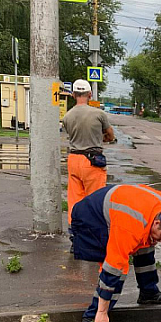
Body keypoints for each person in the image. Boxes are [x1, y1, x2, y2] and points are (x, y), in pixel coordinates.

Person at [70, 183, 161, 322]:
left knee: (147, 244)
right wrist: (102, 313)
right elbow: (113, 266)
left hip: (114, 207)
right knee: (118, 269)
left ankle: (148, 293)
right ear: (157, 223)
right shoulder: (130, 227)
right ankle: (91, 319)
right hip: (90, 219)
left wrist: (155, 238)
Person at [62, 79, 115, 226]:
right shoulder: (99, 114)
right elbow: (110, 135)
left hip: (73, 159)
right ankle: (92, 235)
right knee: (95, 200)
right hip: (92, 161)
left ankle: (75, 232)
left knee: (75, 199)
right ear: (90, 94)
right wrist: (101, 138)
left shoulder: (67, 116)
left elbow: (73, 134)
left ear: (73, 94)